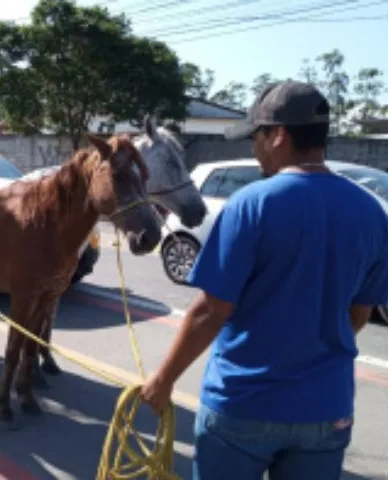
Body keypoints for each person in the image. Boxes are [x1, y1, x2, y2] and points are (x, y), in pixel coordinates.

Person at [141, 81, 388, 479]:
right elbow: (359, 314)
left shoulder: (251, 205)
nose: (253, 147)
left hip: (243, 407)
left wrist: (163, 379)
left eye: (256, 135)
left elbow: (211, 311)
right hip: (327, 410)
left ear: (279, 135)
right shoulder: (371, 212)